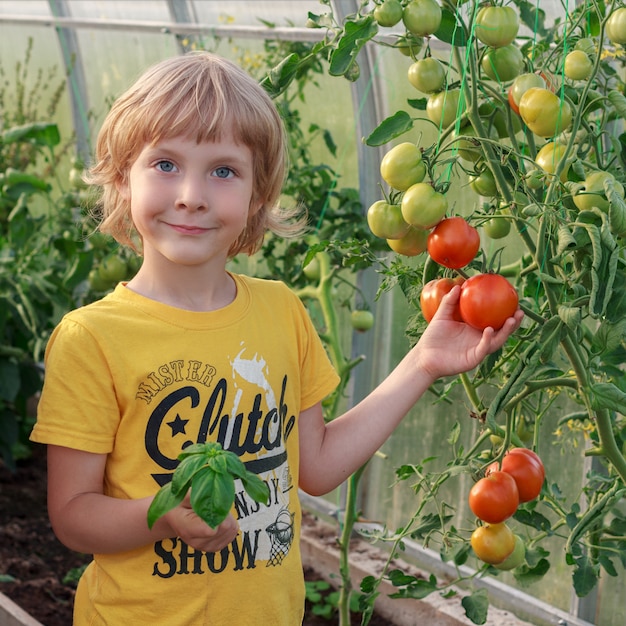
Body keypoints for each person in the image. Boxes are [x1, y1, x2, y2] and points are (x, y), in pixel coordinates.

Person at [30, 52, 523, 625]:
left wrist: (423, 363)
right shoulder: (92, 337)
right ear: (122, 177)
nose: (191, 194)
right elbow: (72, 515)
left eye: (223, 171)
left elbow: (312, 466)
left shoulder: (281, 311)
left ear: (257, 196)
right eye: (165, 164)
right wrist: (163, 515)